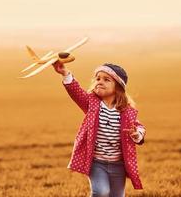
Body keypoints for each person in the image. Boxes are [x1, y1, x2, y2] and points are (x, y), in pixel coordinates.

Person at [52, 56, 146, 197]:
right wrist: (65, 73)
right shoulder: (92, 104)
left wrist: (137, 134)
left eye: (106, 79)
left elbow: (140, 127)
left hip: (118, 165)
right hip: (97, 163)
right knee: (101, 192)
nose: (100, 82)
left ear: (118, 87)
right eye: (98, 78)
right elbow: (76, 92)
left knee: (117, 195)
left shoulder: (125, 111)